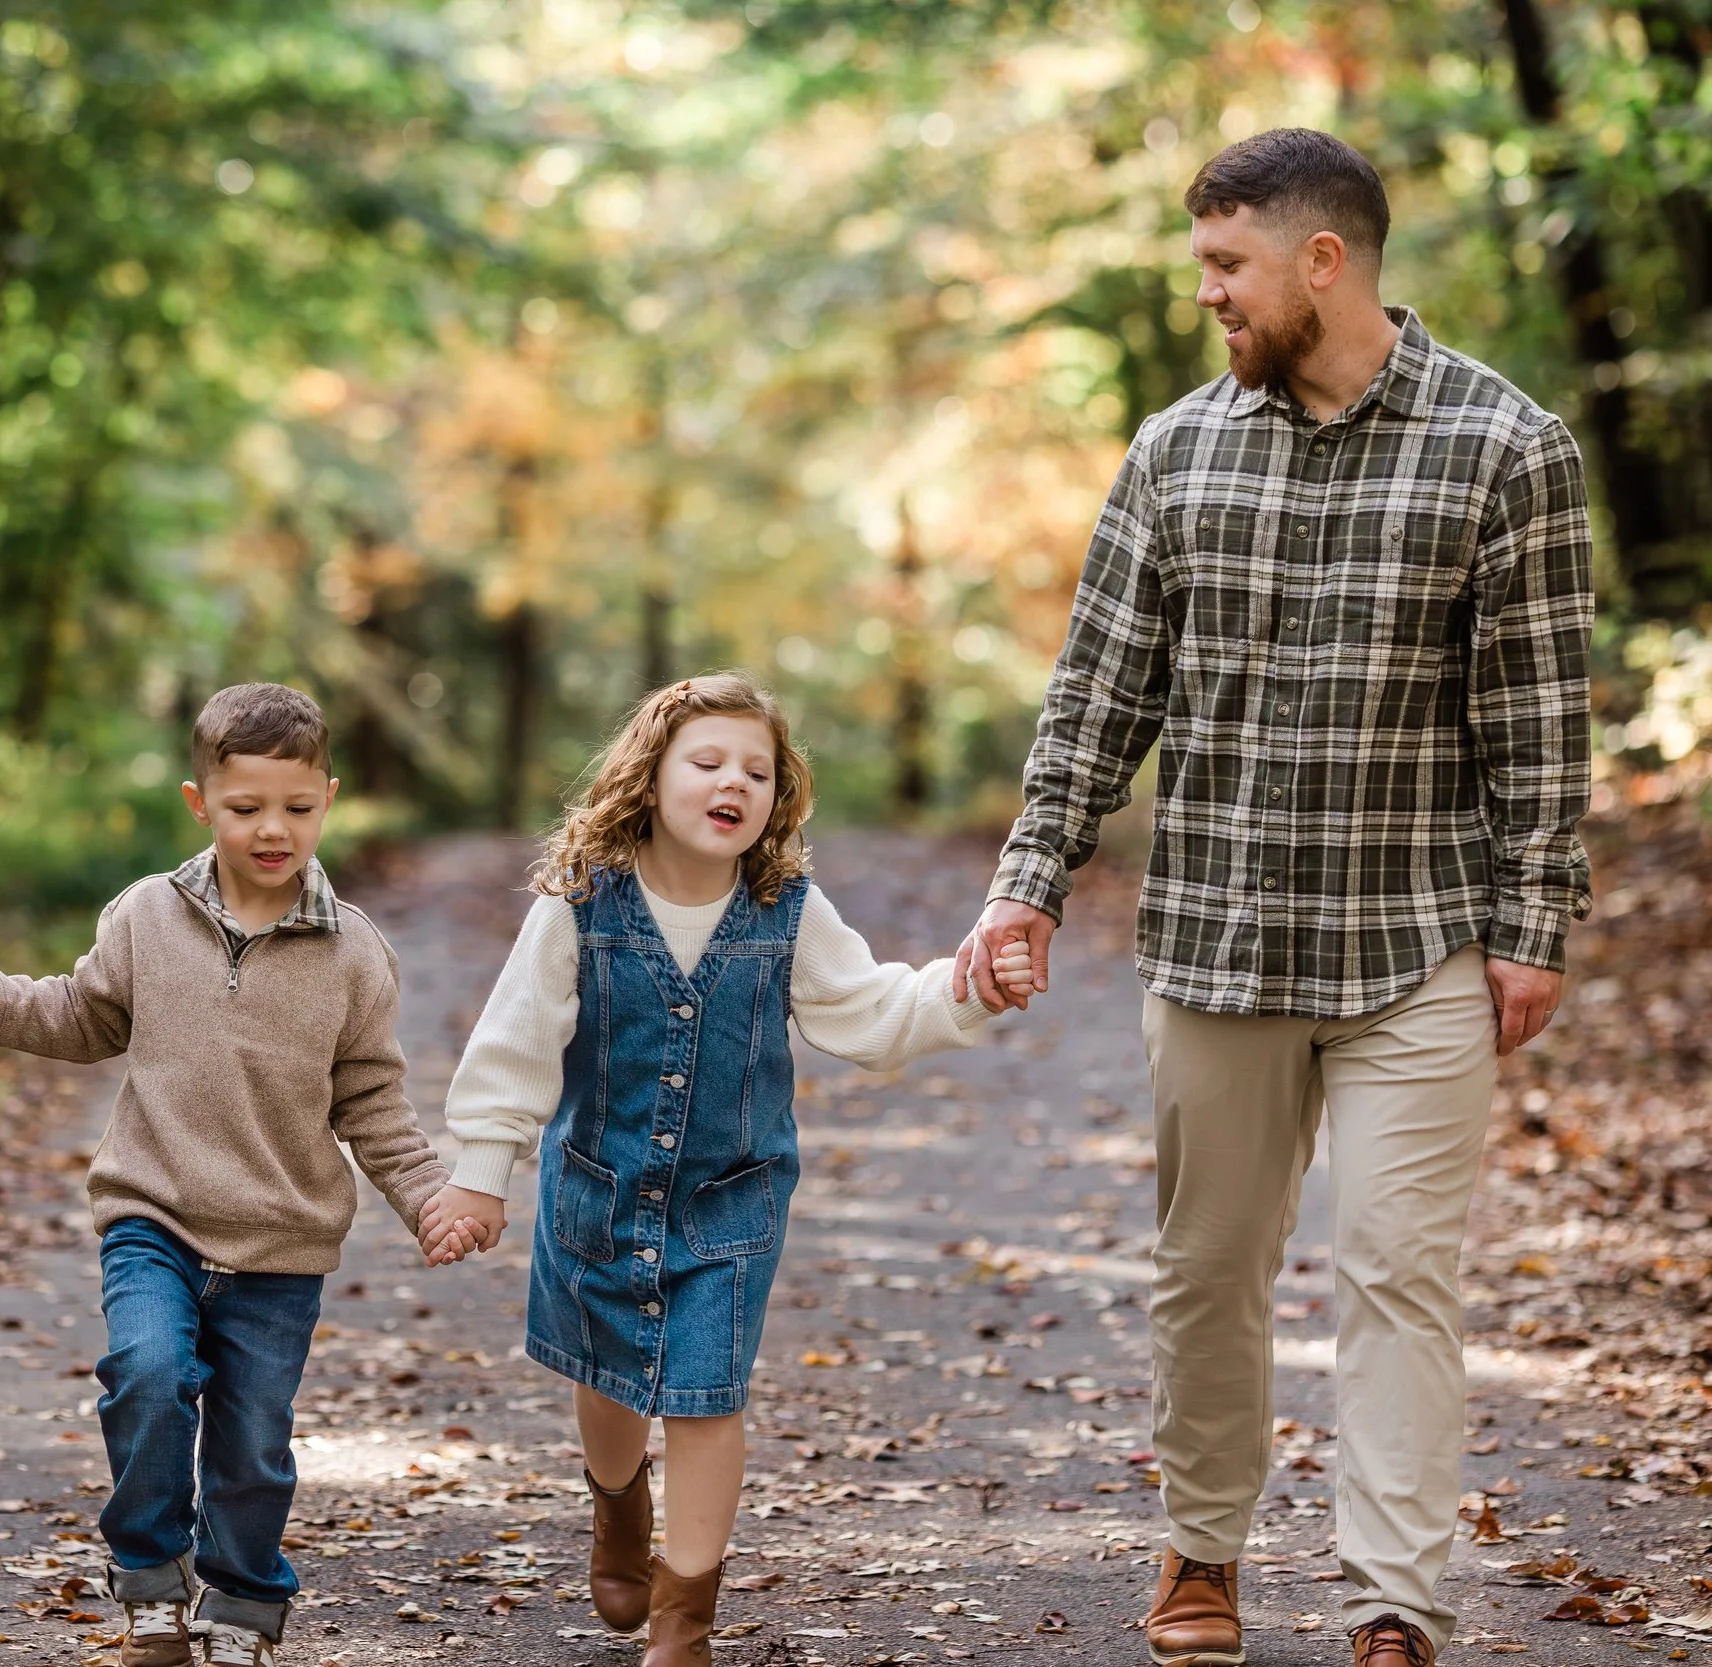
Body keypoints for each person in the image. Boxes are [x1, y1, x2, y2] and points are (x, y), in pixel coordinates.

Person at [953, 129, 1593, 1667]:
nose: (1208, 297)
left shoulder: (1510, 449)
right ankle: (1204, 1550)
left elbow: (1539, 715)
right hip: (1219, 943)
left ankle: (1394, 1595)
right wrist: (1029, 882)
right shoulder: (1177, 450)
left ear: (1326, 261)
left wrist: (1533, 924)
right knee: (1208, 1270)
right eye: (1201, 267)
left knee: (1397, 1271)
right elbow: (1101, 692)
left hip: (1416, 942)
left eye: (1227, 266)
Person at [423, 673, 1027, 1667]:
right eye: (707, 762)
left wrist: (964, 994)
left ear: (775, 798)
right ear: (649, 777)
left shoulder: (785, 908)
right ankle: (618, 1509)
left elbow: (872, 1012)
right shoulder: (583, 899)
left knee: (706, 1397)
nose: (731, 782)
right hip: (597, 1190)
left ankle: (683, 1621)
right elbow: (516, 1041)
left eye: (756, 769)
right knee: (608, 1377)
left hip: (729, 1203)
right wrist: (479, 1170)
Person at [0, 683, 485, 1667]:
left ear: (328, 797)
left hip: (282, 1237)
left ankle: (242, 1602)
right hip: (156, 1216)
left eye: (297, 807)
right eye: (246, 806)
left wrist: (429, 1193)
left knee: (253, 1440)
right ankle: (148, 1582)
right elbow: (82, 1013)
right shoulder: (147, 914)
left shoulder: (354, 952)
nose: (274, 828)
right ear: (199, 801)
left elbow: (373, 1101)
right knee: (146, 1376)